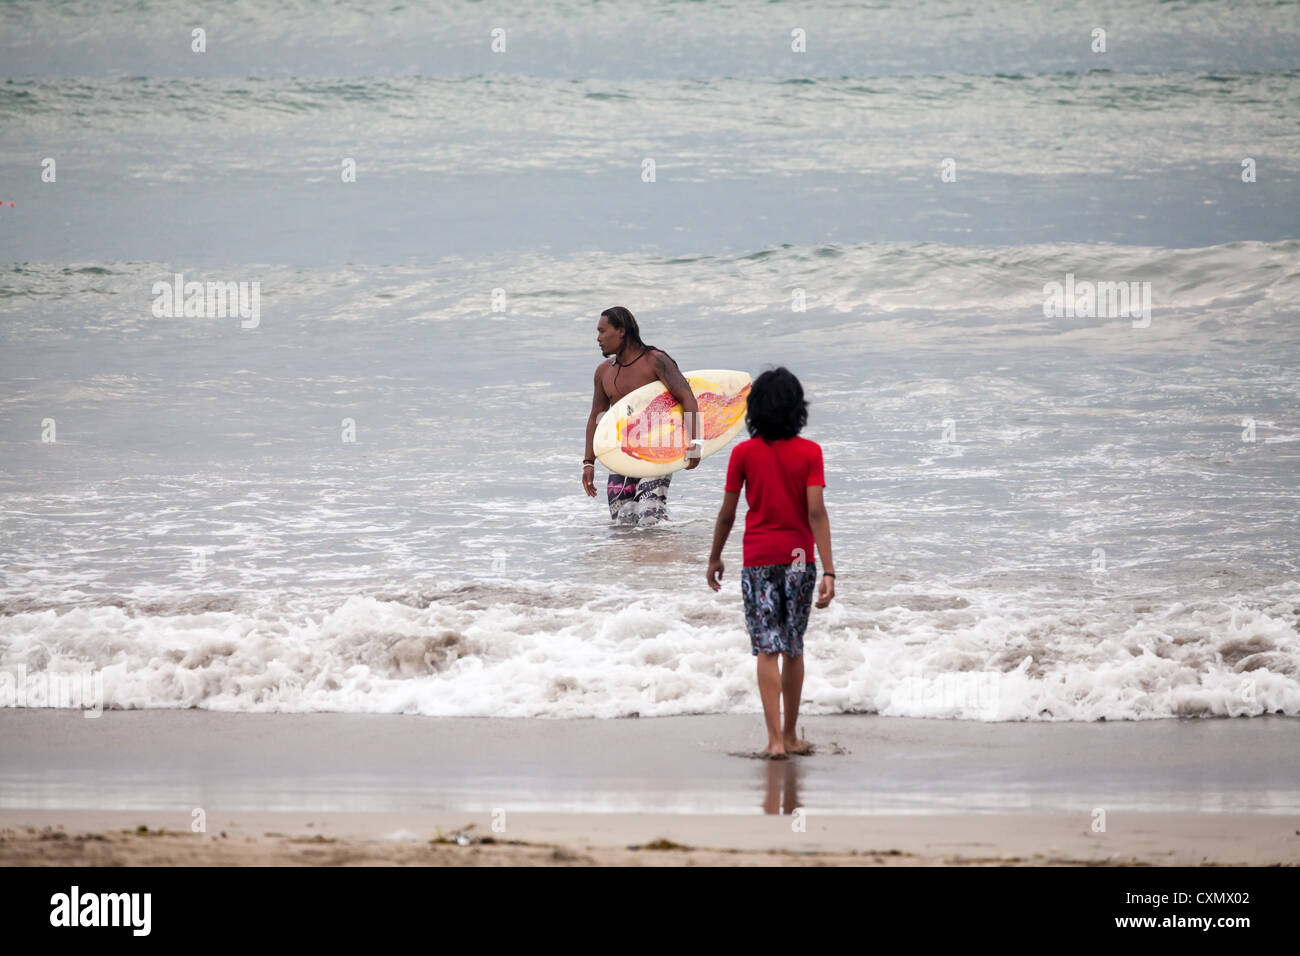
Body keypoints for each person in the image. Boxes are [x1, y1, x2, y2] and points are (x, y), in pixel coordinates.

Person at [706, 367, 835, 759]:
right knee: (793, 647)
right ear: (797, 408)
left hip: (758, 559)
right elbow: (816, 512)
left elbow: (727, 514)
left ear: (754, 409)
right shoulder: (810, 452)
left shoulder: (743, 453)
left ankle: (775, 740)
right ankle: (793, 735)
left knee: (766, 648)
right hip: (799, 560)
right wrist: (828, 569)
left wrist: (715, 556)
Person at [582, 306, 700, 525]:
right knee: (622, 520)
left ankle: (663, 556)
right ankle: (633, 560)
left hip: (657, 449)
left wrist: (695, 442)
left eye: (602, 331)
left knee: (651, 517)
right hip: (621, 453)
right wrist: (588, 462)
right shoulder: (604, 372)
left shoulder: (655, 361)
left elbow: (687, 398)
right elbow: (596, 417)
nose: (598, 338)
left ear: (621, 331)